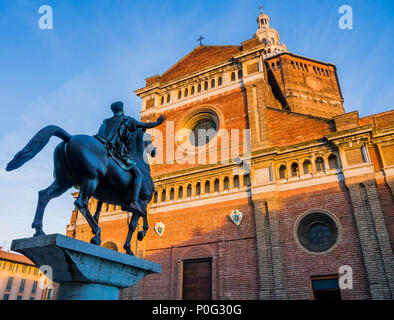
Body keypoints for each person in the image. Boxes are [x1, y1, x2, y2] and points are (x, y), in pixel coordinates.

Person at [95, 101, 166, 213]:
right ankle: (134, 201)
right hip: (119, 154)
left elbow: (99, 135)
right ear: (122, 109)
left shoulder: (106, 121)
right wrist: (157, 123)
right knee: (138, 174)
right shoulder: (126, 119)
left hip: (105, 152)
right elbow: (144, 125)